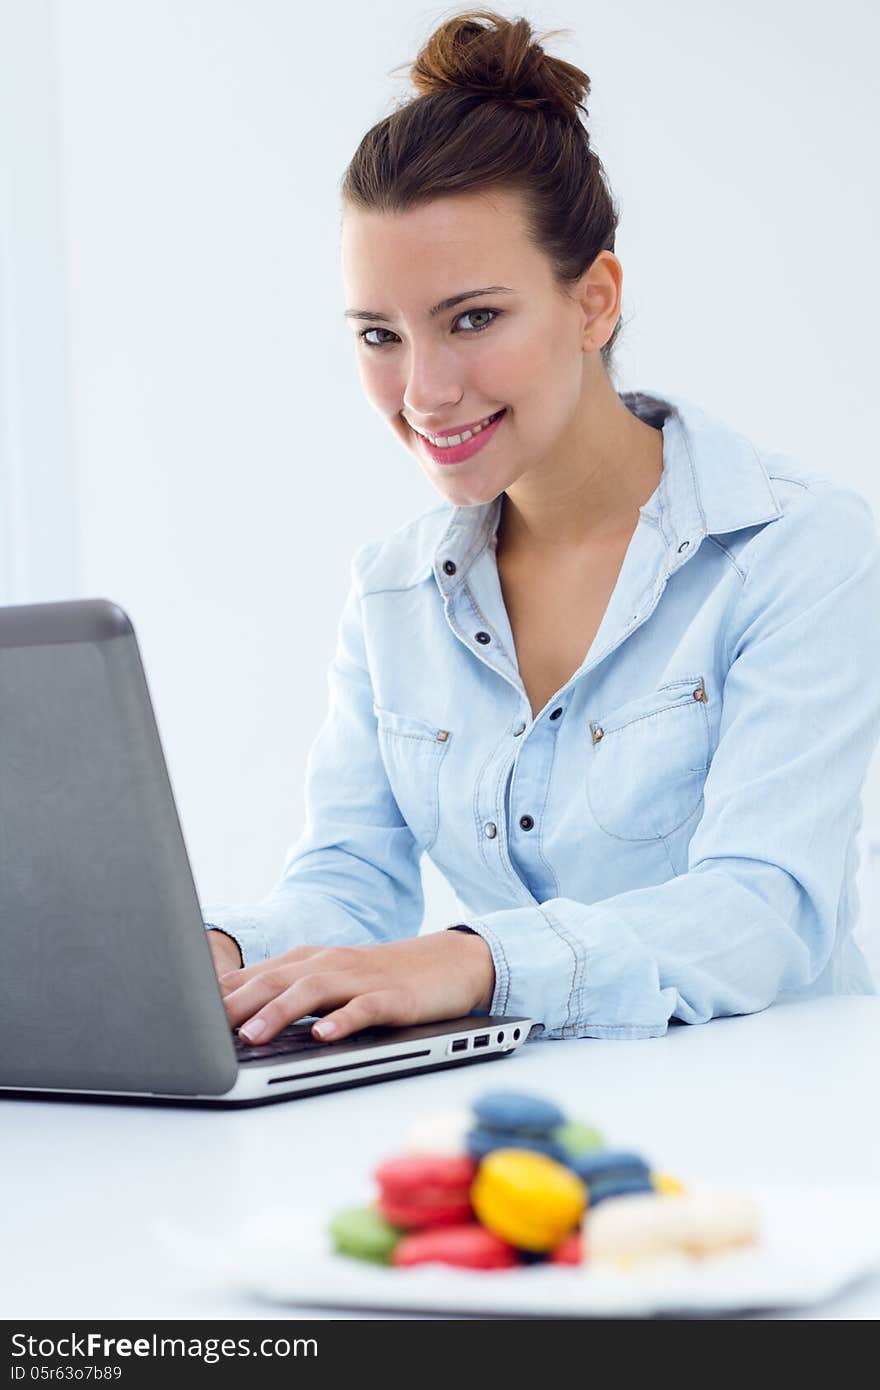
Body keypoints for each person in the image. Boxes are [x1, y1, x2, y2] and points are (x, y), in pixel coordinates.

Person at [203, 9, 880, 1048]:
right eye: (381, 335)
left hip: (775, 1134)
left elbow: (762, 907)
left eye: (473, 318)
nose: (424, 392)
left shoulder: (795, 548)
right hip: (529, 1130)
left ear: (594, 301)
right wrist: (220, 950)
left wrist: (474, 959)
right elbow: (347, 885)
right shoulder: (392, 592)